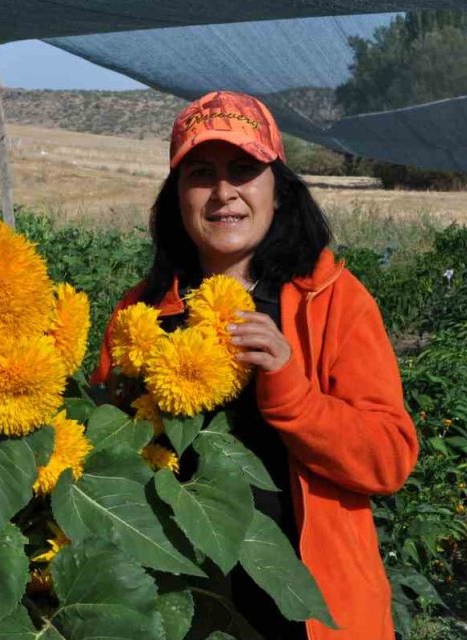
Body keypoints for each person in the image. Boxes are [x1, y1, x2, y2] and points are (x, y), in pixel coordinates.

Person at [91, 91, 418, 639]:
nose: (224, 192)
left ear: (278, 190)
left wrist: (294, 394)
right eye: (201, 173)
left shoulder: (333, 301)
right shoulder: (140, 311)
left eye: (244, 169)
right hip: (179, 605)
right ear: (177, 196)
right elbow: (106, 463)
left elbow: (388, 460)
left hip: (307, 613)